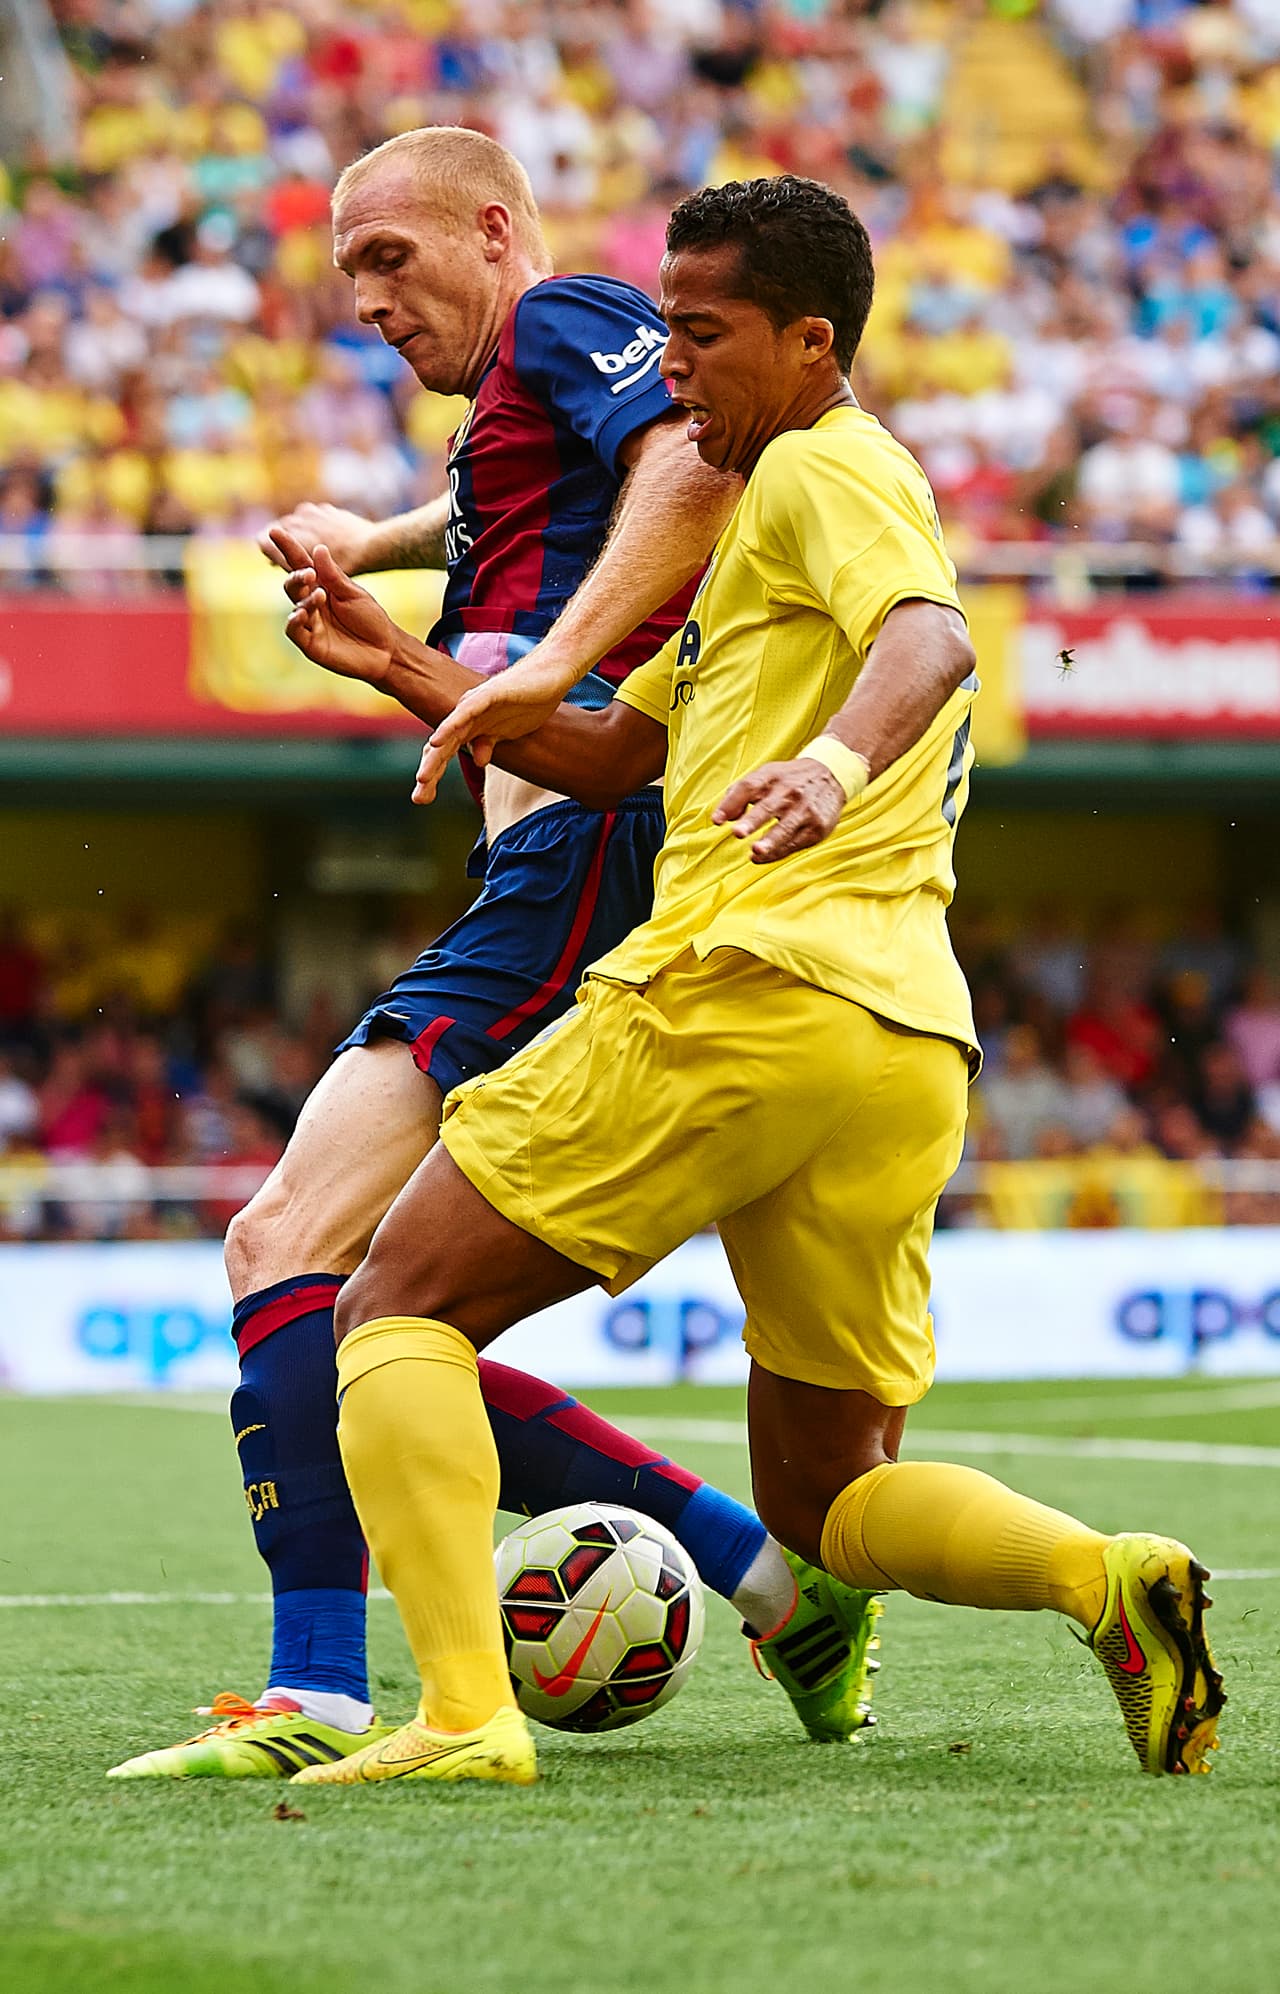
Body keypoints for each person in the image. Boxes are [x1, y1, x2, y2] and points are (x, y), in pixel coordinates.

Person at [277, 174, 1224, 1790]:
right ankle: (1104, 1577)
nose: (675, 369)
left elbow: (930, 640)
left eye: (702, 338)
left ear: (809, 341)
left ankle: (457, 1715)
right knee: (824, 1498)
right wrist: (406, 664)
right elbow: (609, 751)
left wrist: (834, 768)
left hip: (741, 988)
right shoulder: (751, 531)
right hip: (898, 1044)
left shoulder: (833, 471)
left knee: (390, 1305)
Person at [108, 132, 880, 1782]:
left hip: (583, 861)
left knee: (285, 1238)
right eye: (346, 276)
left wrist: (555, 670)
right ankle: (764, 1574)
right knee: (379, 1309)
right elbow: (510, 501)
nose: (368, 299)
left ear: (495, 229)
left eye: (392, 257)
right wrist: (378, 550)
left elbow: (686, 455)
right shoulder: (512, 435)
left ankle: (316, 1686)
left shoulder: (570, 324)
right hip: (557, 863)